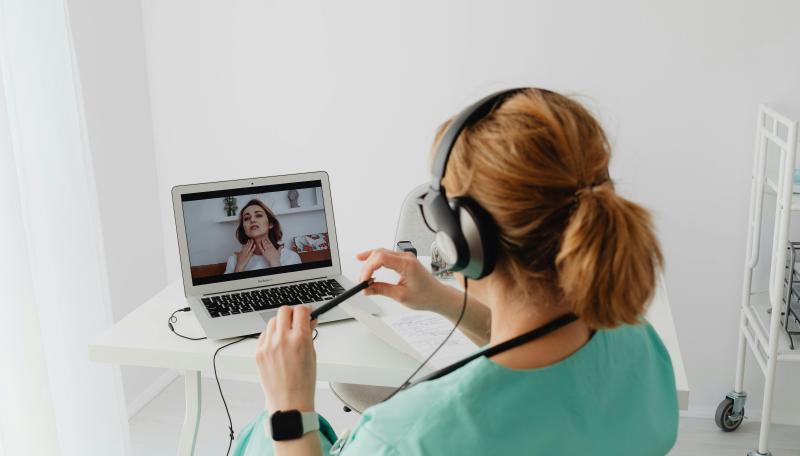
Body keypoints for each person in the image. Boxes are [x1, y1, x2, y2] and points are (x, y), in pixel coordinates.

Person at [233, 88, 679, 455]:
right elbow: (537, 348)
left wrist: (289, 407)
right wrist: (441, 299)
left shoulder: (407, 437)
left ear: (466, 240)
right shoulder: (640, 346)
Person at [224, 198, 301, 273]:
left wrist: (275, 263)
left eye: (258, 215)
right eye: (247, 218)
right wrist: (239, 266)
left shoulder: (291, 257)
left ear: (270, 224)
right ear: (244, 229)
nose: (252, 220)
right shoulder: (234, 260)